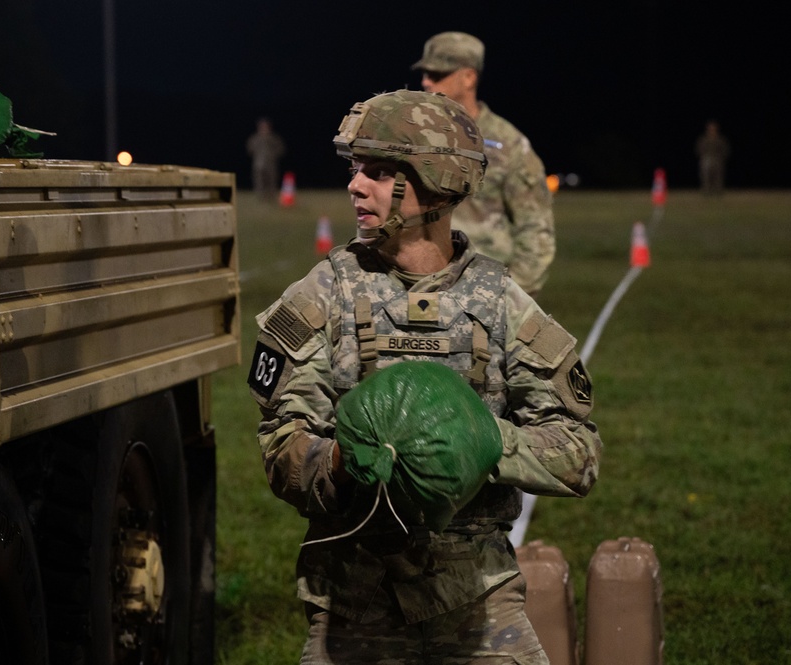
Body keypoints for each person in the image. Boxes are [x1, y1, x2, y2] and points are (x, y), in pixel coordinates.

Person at [248, 89, 602, 664]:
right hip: (354, 603)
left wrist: (487, 442)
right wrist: (341, 459)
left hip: (478, 600)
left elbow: (580, 453)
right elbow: (280, 448)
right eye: (356, 170)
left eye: (381, 172)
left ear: (436, 182)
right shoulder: (325, 294)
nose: (356, 185)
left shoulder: (499, 302)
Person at [412, 31, 555, 298]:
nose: (426, 82)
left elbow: (535, 229)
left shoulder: (507, 145)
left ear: (468, 77)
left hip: (483, 291)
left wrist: (511, 297)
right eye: (425, 74)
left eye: (437, 75)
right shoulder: (414, 137)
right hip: (420, 289)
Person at [246, 116, 285, 199]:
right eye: (261, 126)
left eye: (265, 126)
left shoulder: (274, 138)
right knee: (259, 180)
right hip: (258, 163)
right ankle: (260, 196)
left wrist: (273, 155)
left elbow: (281, 149)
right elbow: (250, 149)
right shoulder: (255, 138)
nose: (263, 128)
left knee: (271, 180)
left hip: (271, 163)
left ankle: (271, 196)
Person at [695, 120, 730, 194]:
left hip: (717, 159)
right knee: (705, 176)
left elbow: (725, 149)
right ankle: (706, 191)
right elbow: (698, 149)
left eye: (713, 128)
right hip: (706, 159)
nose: (712, 130)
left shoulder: (720, 139)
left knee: (718, 176)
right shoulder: (703, 139)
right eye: (710, 128)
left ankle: (718, 191)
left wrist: (721, 158)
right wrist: (703, 157)